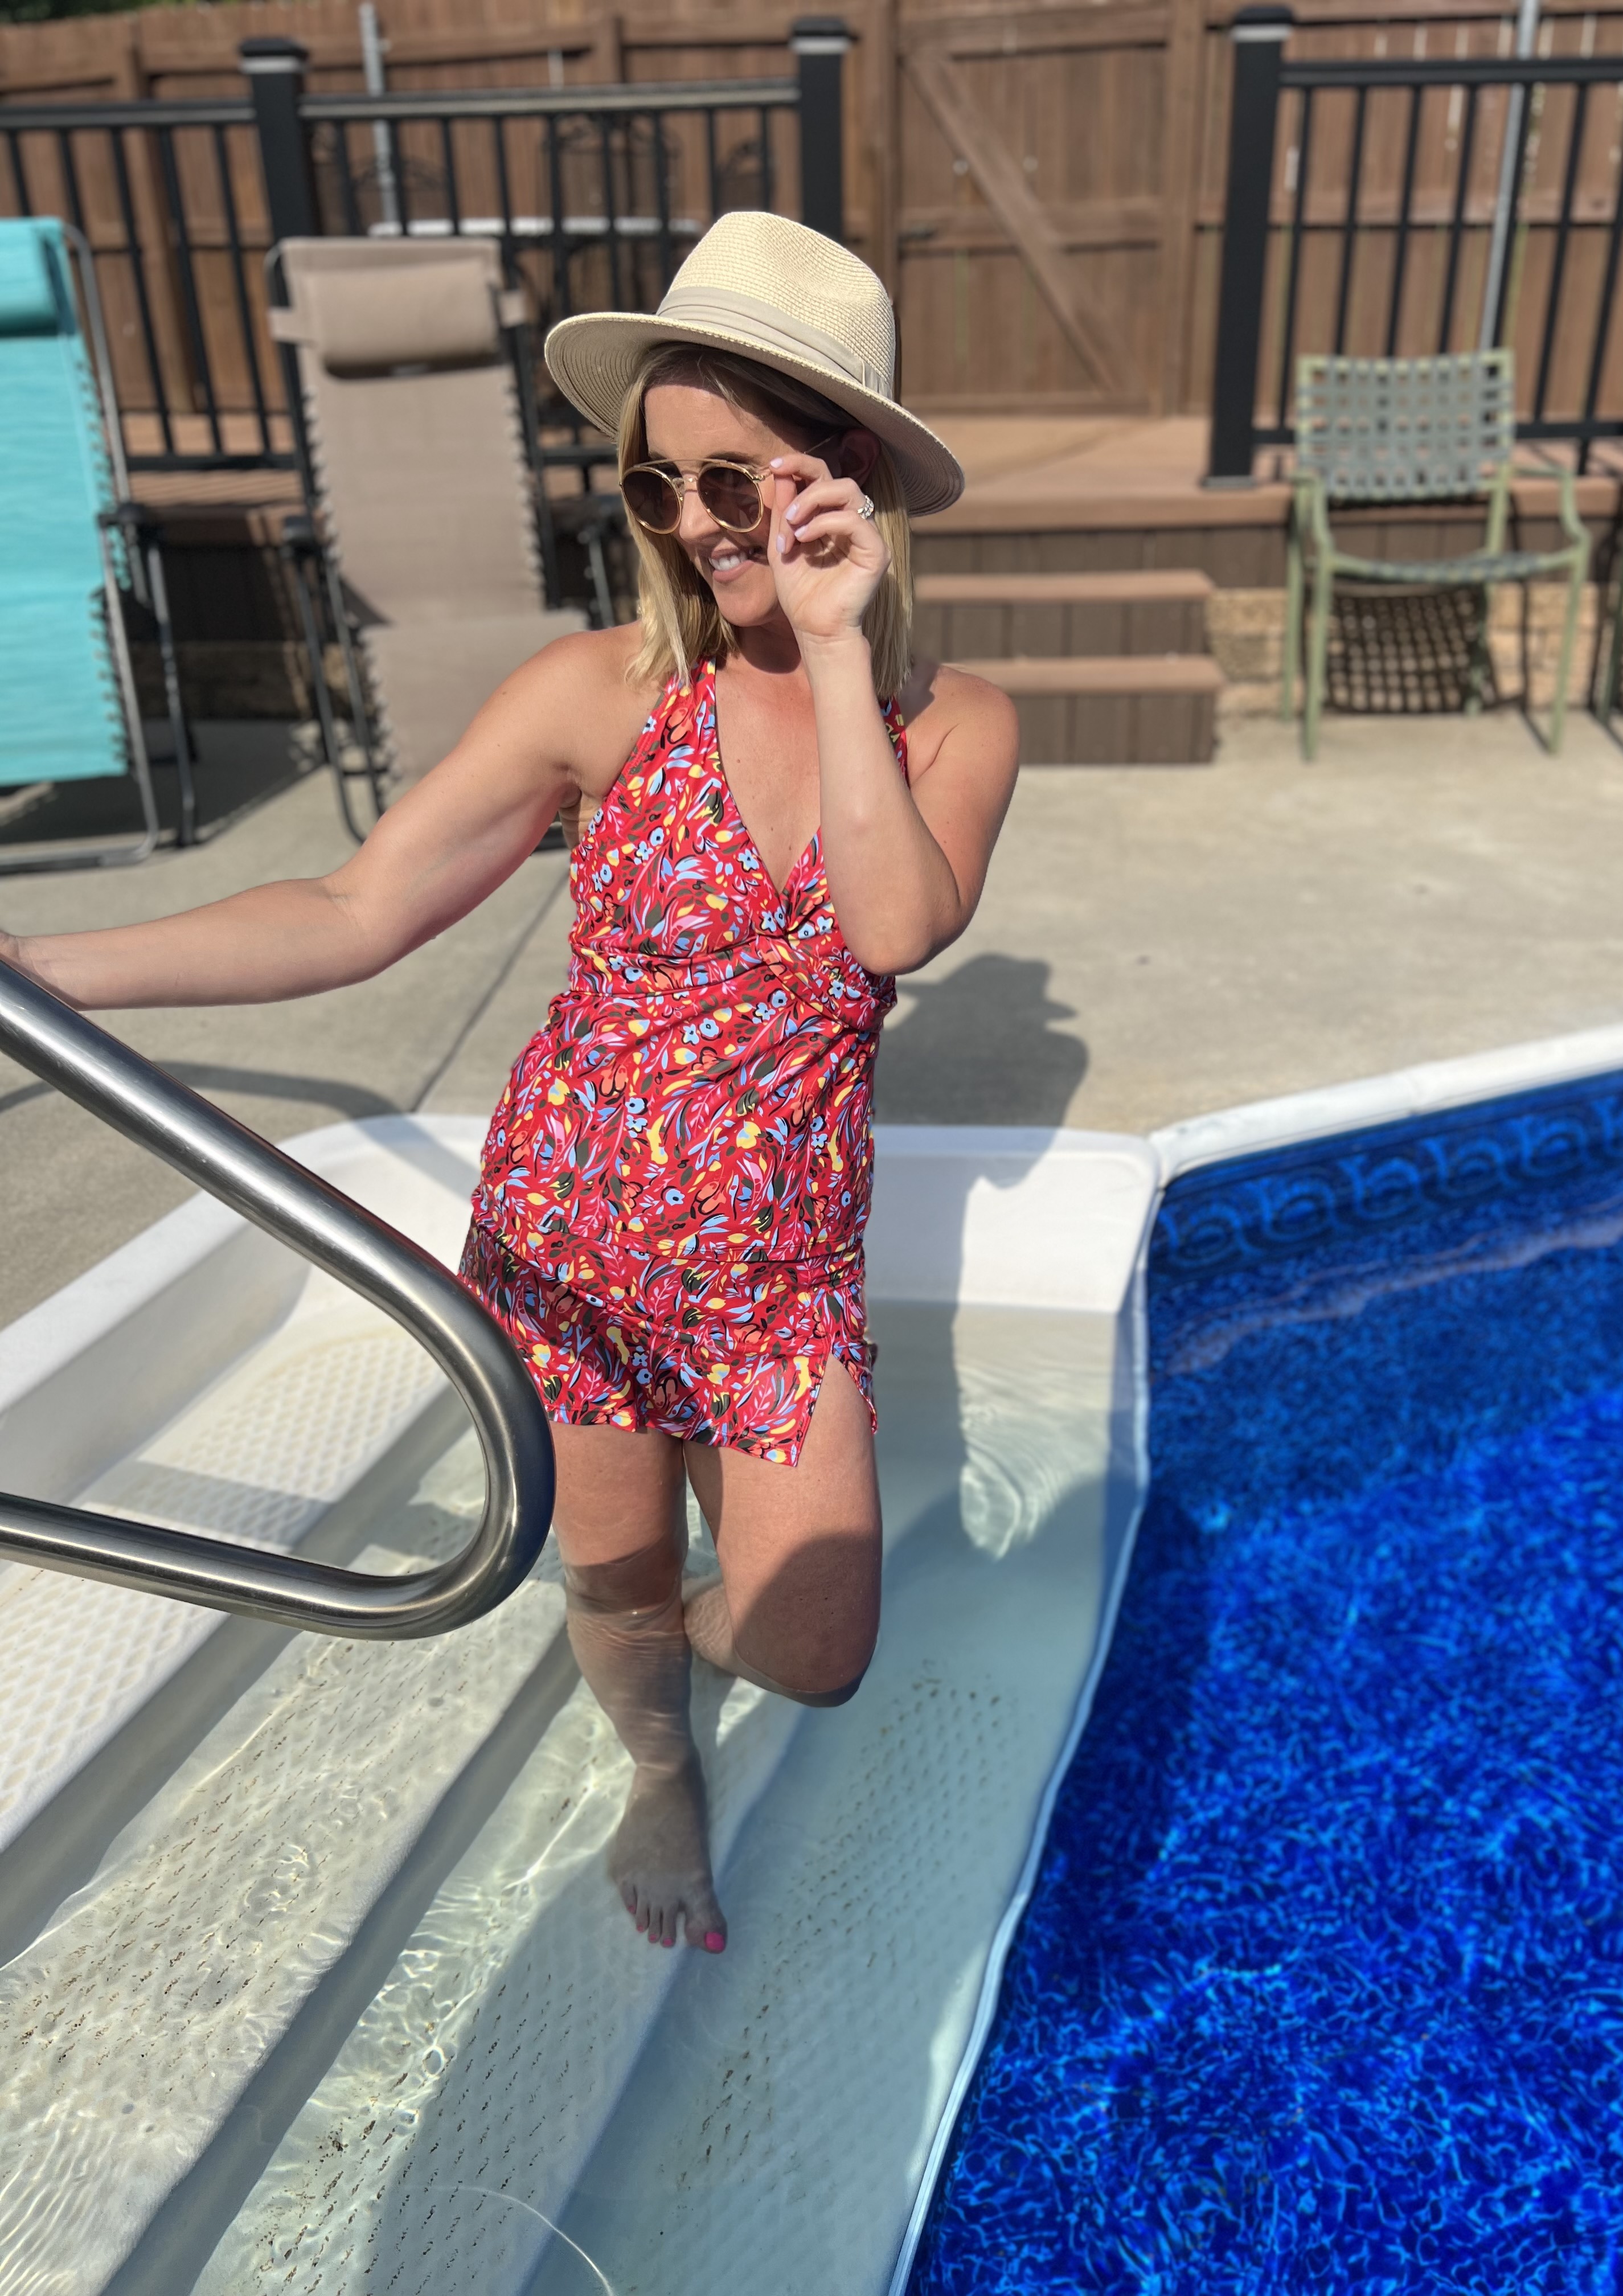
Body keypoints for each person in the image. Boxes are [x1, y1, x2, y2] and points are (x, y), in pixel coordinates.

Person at [0, 210, 1018, 1957]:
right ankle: (658, 1771)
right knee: (609, 1582)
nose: (699, 524)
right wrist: (35, 966)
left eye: (735, 478)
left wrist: (841, 649)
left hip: (774, 1281)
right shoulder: (598, 697)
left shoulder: (955, 722)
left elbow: (895, 924)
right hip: (573, 1243)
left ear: (845, 470)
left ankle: (695, 1644)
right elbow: (354, 909)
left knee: (814, 1648)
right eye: (659, 487)